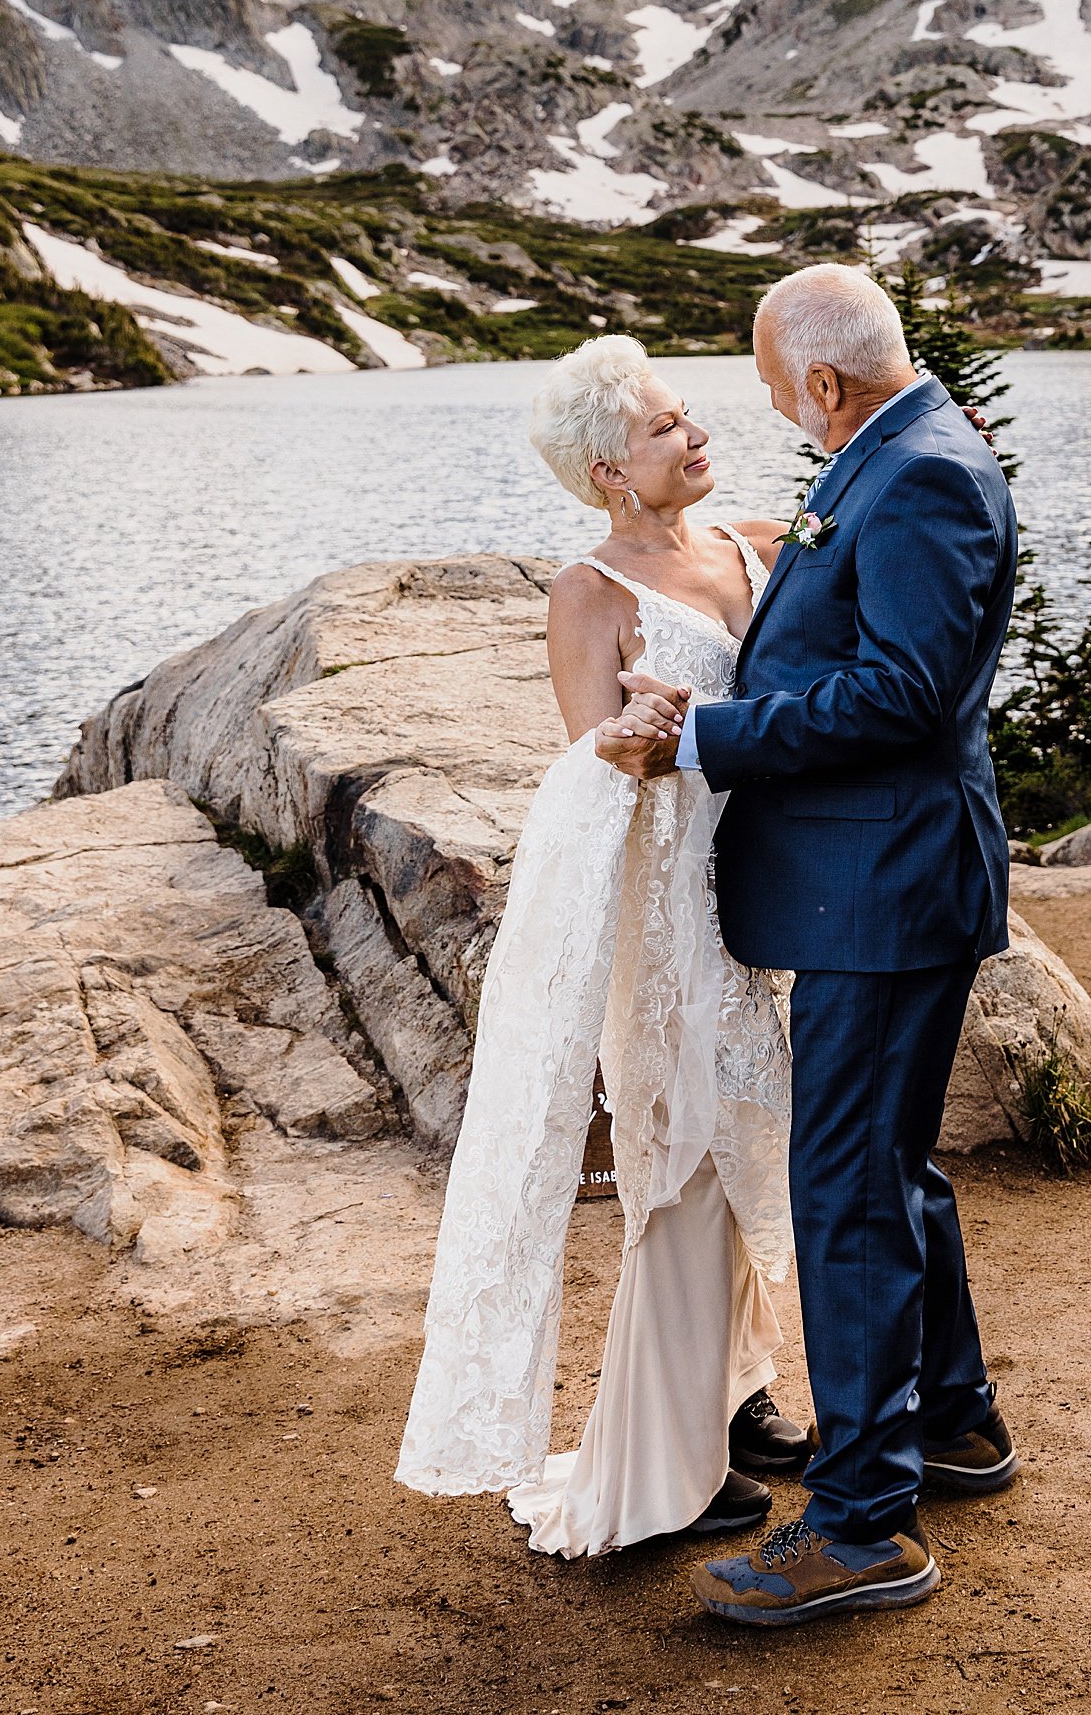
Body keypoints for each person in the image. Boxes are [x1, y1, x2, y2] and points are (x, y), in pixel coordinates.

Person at [599, 264, 1020, 1630]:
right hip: (878, 877)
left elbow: (905, 690)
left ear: (827, 384)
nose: (777, 408)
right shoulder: (891, 455)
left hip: (888, 886)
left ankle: (860, 1525)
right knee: (889, 1170)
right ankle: (952, 1419)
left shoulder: (924, 478)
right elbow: (861, 630)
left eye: (782, 388)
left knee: (843, 1188)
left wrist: (705, 733)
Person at [396, 336, 805, 1554]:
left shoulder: (752, 542)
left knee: (760, 1135)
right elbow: (593, 758)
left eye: (689, 415)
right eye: (667, 424)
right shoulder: (589, 590)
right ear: (609, 470)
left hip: (784, 884)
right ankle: (657, 1451)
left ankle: (732, 1397)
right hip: (674, 914)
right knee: (682, 1151)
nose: (696, 433)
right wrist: (626, 729)